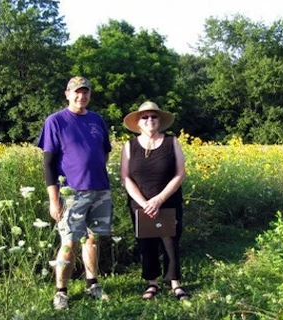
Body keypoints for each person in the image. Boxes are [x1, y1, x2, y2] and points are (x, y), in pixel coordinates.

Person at [37, 76, 113, 310]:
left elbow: (105, 152)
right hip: (71, 192)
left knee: (93, 238)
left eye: (86, 92)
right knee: (69, 242)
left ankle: (92, 284)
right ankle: (61, 291)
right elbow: (48, 164)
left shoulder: (97, 120)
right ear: (67, 94)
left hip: (100, 189)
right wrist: (54, 200)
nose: (81, 96)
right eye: (77, 92)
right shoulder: (56, 121)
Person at [120, 101, 190, 301]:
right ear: (138, 123)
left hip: (168, 201)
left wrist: (159, 199)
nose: (150, 120)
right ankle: (152, 282)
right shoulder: (129, 145)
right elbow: (125, 177)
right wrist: (144, 203)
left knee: (170, 241)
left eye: (154, 116)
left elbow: (180, 173)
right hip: (139, 203)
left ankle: (175, 283)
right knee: (146, 243)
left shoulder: (171, 142)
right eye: (145, 117)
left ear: (159, 121)